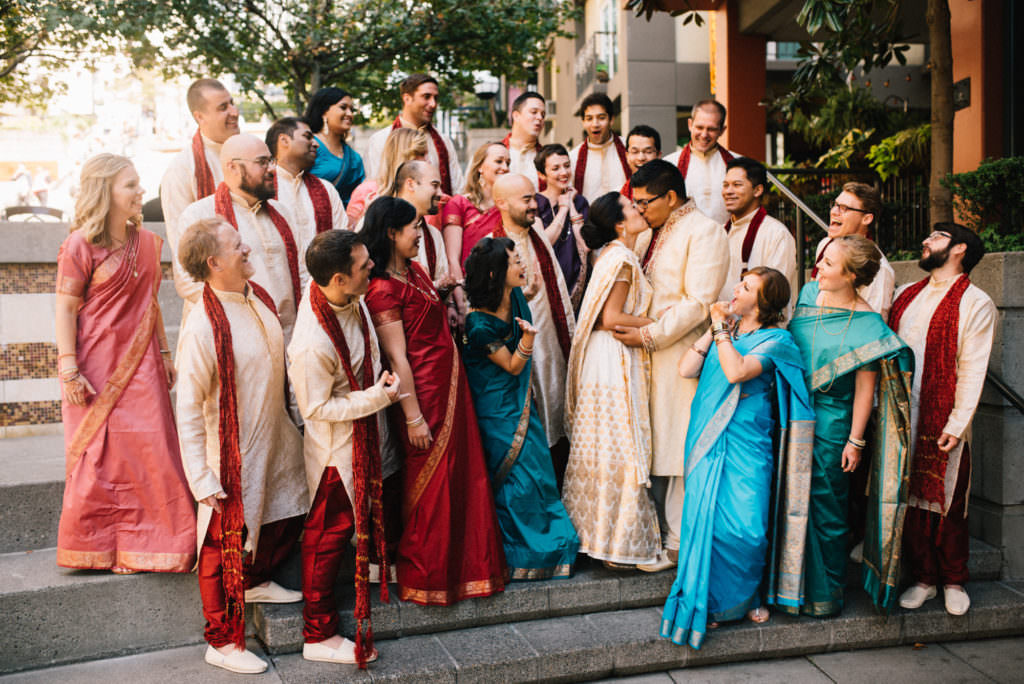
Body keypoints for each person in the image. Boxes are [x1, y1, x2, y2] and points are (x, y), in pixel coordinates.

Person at [175, 217, 308, 674]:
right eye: (237, 245)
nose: (247, 248)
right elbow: (188, 407)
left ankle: (257, 579)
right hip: (231, 451)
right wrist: (201, 475)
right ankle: (222, 641)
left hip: (276, 432)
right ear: (214, 262)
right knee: (221, 544)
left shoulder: (258, 297)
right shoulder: (201, 327)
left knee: (287, 509)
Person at [361, 196, 506, 605]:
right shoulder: (382, 289)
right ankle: (430, 574)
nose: (421, 237)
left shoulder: (415, 271)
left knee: (462, 475)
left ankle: (466, 567)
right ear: (391, 232)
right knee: (432, 484)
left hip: (450, 387)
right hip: (422, 397)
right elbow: (397, 358)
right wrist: (412, 417)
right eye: (413, 230)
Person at [55, 153, 195, 573]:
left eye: (138, 184)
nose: (141, 193)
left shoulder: (145, 244)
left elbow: (149, 305)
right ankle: (101, 546)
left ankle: (151, 543)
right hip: (95, 366)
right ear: (106, 192)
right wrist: (68, 368)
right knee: (99, 456)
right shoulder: (80, 244)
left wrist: (165, 353)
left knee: (151, 449)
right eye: (130, 186)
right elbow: (65, 309)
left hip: (142, 364)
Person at [660, 268, 814, 648]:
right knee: (709, 523)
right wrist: (714, 330)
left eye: (746, 287)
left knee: (748, 526)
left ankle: (750, 596)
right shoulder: (725, 334)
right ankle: (715, 604)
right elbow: (686, 368)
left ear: (764, 302)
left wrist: (720, 331)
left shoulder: (777, 340)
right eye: (740, 282)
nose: (736, 288)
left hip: (748, 440)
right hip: (708, 439)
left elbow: (737, 371)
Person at [287, 230, 401, 666]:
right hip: (336, 452)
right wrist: (379, 397)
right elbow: (316, 407)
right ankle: (317, 633)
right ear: (338, 279)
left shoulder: (344, 299)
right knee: (326, 538)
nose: (373, 267)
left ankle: (374, 564)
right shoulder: (313, 344)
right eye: (363, 266)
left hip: (365, 434)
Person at [612, 160, 729, 573]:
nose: (639, 210)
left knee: (679, 450)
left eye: (645, 202)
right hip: (645, 357)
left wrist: (649, 335)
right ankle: (657, 536)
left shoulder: (706, 232)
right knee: (653, 446)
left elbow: (699, 303)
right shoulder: (651, 234)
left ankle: (679, 545)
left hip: (679, 355)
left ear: (671, 197)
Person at [788, 235, 913, 617]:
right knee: (784, 499)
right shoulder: (809, 294)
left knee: (826, 507)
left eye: (828, 264)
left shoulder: (869, 325)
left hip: (834, 420)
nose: (819, 267)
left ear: (852, 275)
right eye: (821, 260)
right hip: (791, 410)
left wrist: (856, 441)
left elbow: (865, 390)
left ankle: (824, 593)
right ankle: (785, 588)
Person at [462, 237, 581, 579]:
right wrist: (528, 339)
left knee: (538, 472)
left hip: (520, 402)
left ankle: (550, 547)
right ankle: (521, 555)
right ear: (496, 274)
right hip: (497, 411)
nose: (522, 265)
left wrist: (526, 297)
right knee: (516, 479)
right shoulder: (478, 325)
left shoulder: (513, 295)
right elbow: (513, 365)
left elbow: (520, 306)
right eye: (516, 262)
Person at [893, 224, 996, 617]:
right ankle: (923, 580)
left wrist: (956, 423)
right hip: (902, 413)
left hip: (944, 418)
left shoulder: (975, 302)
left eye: (936, 238)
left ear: (959, 249)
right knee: (911, 500)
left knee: (947, 502)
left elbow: (972, 368)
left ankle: (953, 580)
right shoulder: (906, 295)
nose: (925, 241)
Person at [563, 192, 660, 567]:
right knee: (621, 441)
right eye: (633, 207)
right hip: (613, 355)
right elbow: (612, 317)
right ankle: (618, 546)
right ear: (620, 223)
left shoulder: (612, 255)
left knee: (605, 443)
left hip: (603, 357)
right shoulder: (621, 258)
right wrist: (657, 321)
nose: (640, 209)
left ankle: (598, 536)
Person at [176, 134, 309, 344]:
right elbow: (188, 283)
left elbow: (303, 272)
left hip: (289, 337)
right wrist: (245, 316)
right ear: (233, 167)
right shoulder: (199, 215)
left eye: (270, 161)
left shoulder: (283, 212)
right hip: (231, 336)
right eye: (262, 162)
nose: (272, 169)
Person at [489, 174, 576, 455]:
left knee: (558, 412)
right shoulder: (492, 247)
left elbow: (560, 290)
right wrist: (521, 298)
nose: (534, 205)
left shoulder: (537, 235)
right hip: (521, 354)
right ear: (501, 202)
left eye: (533, 197)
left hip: (553, 344)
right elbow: (486, 310)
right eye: (526, 199)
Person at [160, 79, 241, 240]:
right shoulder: (182, 169)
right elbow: (181, 241)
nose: (235, 112)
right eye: (223, 107)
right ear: (200, 117)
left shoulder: (250, 152)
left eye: (232, 103)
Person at [364, 74, 464, 196]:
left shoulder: (444, 141)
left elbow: (458, 188)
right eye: (426, 97)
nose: (433, 104)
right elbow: (376, 187)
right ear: (407, 99)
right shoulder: (381, 140)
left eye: (435, 98)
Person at [719, 158, 797, 309]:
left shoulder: (776, 234)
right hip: (724, 325)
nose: (728, 191)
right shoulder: (721, 232)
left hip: (763, 329)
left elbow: (774, 294)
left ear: (757, 190)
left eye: (737, 185)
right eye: (725, 185)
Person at [811, 182, 895, 319]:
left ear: (867, 218)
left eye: (844, 208)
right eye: (835, 205)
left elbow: (871, 325)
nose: (834, 211)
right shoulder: (825, 245)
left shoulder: (880, 270)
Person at [266, 116, 349, 234]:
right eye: (307, 137)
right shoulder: (261, 187)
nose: (316, 144)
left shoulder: (326, 189)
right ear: (284, 140)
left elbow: (341, 238)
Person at [534, 144, 590, 312]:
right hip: (545, 284)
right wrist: (563, 209)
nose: (564, 173)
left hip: (576, 282)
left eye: (566, 166)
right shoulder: (534, 203)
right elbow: (543, 243)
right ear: (542, 175)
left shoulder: (580, 202)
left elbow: (586, 245)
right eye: (555, 168)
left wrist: (571, 204)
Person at [663, 100, 734, 224]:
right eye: (699, 127)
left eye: (711, 129)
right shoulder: (669, 164)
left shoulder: (737, 164)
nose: (704, 135)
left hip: (728, 239)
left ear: (722, 130)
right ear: (690, 125)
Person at [441, 141, 509, 269]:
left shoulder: (508, 205)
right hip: (469, 283)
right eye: (499, 161)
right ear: (480, 167)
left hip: (505, 283)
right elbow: (452, 258)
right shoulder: (458, 204)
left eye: (508, 163)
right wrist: (458, 287)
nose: (505, 168)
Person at [387, 160, 451, 286]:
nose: (441, 194)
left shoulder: (434, 234)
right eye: (434, 185)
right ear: (410, 184)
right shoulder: (380, 224)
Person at [348, 127, 429, 226]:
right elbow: (350, 235)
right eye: (421, 154)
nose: (428, 161)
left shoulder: (427, 195)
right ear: (404, 157)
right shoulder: (367, 193)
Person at [304, 87, 365, 205]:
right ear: (324, 111)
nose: (350, 114)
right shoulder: (307, 146)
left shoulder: (354, 158)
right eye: (343, 107)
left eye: (351, 110)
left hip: (343, 221)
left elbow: (359, 195)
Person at [569, 92, 631, 203]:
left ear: (611, 120)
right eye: (589, 119)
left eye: (601, 118)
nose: (595, 124)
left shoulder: (629, 147)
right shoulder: (573, 158)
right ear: (583, 122)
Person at [503, 91, 546, 190]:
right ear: (516, 116)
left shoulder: (547, 157)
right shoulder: (492, 153)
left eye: (543, 115)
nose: (540, 118)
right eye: (534, 112)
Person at [621, 125, 662, 199]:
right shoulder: (620, 196)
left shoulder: (668, 192)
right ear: (627, 155)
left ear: (659, 155)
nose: (641, 158)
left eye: (648, 152)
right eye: (635, 152)